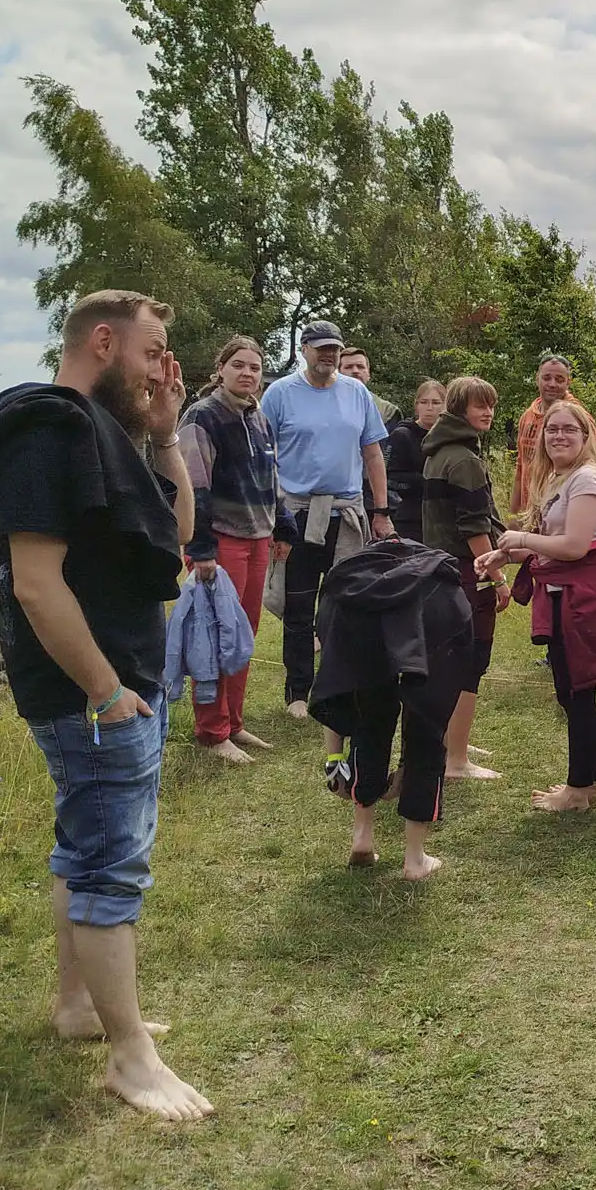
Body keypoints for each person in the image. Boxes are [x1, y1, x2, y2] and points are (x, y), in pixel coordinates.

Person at [0, 288, 211, 1122]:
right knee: (107, 864)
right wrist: (106, 690)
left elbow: (178, 536)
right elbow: (33, 581)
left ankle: (78, 1007)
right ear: (103, 341)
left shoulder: (108, 437)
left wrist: (166, 434)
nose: (164, 368)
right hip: (92, 689)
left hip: (120, 679)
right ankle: (131, 1059)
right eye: (152, 351)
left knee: (83, 844)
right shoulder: (46, 430)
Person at [479, 400, 596, 813]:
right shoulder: (555, 478)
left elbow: (573, 546)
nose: (559, 436)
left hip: (583, 597)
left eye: (569, 429)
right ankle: (584, 784)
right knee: (571, 691)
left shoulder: (586, 479)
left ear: (586, 437)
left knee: (578, 690)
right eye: (552, 430)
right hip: (560, 594)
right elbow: (547, 540)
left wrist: (521, 541)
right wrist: (505, 555)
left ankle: (580, 788)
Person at [311, 538, 473, 880]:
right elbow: (439, 705)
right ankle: (415, 859)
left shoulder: (342, 589)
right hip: (437, 612)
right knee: (427, 731)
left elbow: (338, 685)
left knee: (369, 718)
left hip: (369, 617)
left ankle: (362, 837)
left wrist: (334, 759)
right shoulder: (440, 583)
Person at [260, 320, 393, 719]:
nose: (328, 355)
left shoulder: (356, 392)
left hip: (347, 514)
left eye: (334, 348)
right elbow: (265, 455)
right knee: (299, 607)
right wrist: (272, 515)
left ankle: (337, 685)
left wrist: (381, 512)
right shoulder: (280, 393)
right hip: (297, 513)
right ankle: (297, 692)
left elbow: (372, 454)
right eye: (320, 348)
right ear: (303, 349)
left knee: (343, 607)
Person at [178, 335, 294, 765]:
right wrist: (201, 548)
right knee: (214, 635)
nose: (248, 373)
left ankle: (235, 722)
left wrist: (284, 528)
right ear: (221, 370)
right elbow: (194, 486)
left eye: (256, 367)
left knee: (242, 636)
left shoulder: (259, 418)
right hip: (220, 540)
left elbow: (272, 479)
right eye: (239, 365)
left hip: (258, 538)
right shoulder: (202, 417)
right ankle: (212, 731)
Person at [422, 375, 511, 780]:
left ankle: (451, 740)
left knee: (450, 663)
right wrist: (497, 577)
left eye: (491, 405)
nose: (488, 412)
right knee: (469, 663)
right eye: (480, 406)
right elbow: (474, 530)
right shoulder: (464, 460)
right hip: (464, 571)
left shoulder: (439, 452)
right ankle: (457, 761)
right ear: (459, 410)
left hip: (439, 569)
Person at [510, 354, 576, 517]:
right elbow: (521, 468)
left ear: (568, 382)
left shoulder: (577, 418)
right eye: (547, 378)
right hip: (529, 514)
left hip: (560, 515)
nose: (552, 384)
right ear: (537, 378)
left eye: (559, 379)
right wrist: (513, 514)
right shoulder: (527, 416)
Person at [385, 379, 444, 544]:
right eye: (424, 402)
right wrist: (426, 481)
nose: (429, 407)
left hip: (443, 517)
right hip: (410, 518)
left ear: (445, 406)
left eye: (435, 402)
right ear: (416, 405)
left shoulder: (449, 437)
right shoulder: (402, 435)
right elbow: (390, 478)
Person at [339, 347, 404, 435]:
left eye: (360, 367)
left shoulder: (387, 411)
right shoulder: (326, 405)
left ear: (368, 374)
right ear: (338, 373)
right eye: (348, 367)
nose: (355, 371)